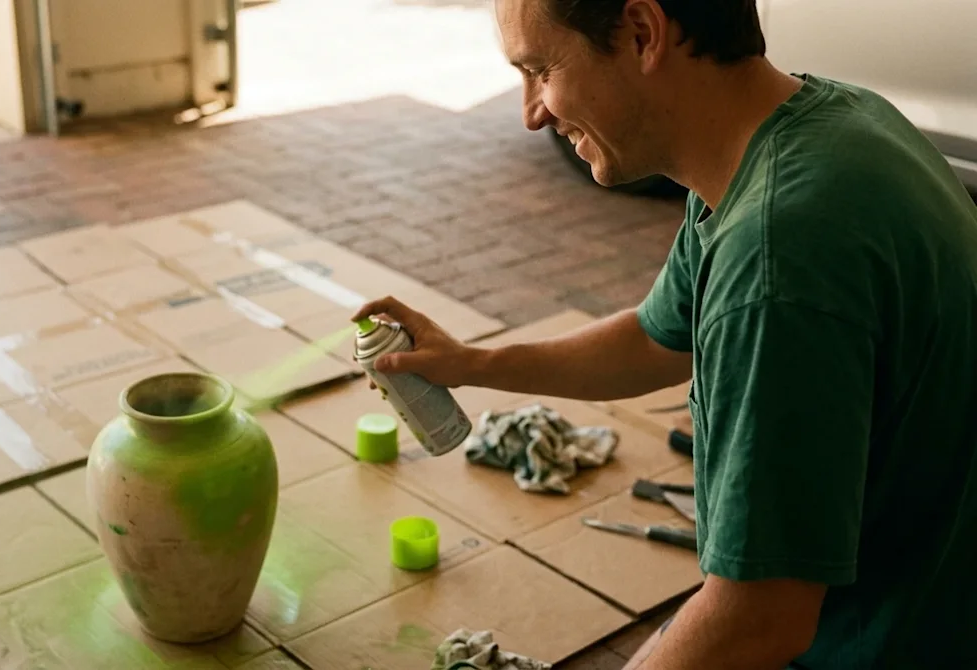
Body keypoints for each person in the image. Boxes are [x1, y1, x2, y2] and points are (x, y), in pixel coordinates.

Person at [351, 0, 977, 668]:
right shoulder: (816, 127)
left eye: (540, 69)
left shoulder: (780, 254)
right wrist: (471, 362)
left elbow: (759, 619)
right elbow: (653, 340)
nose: (532, 111)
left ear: (642, 34)